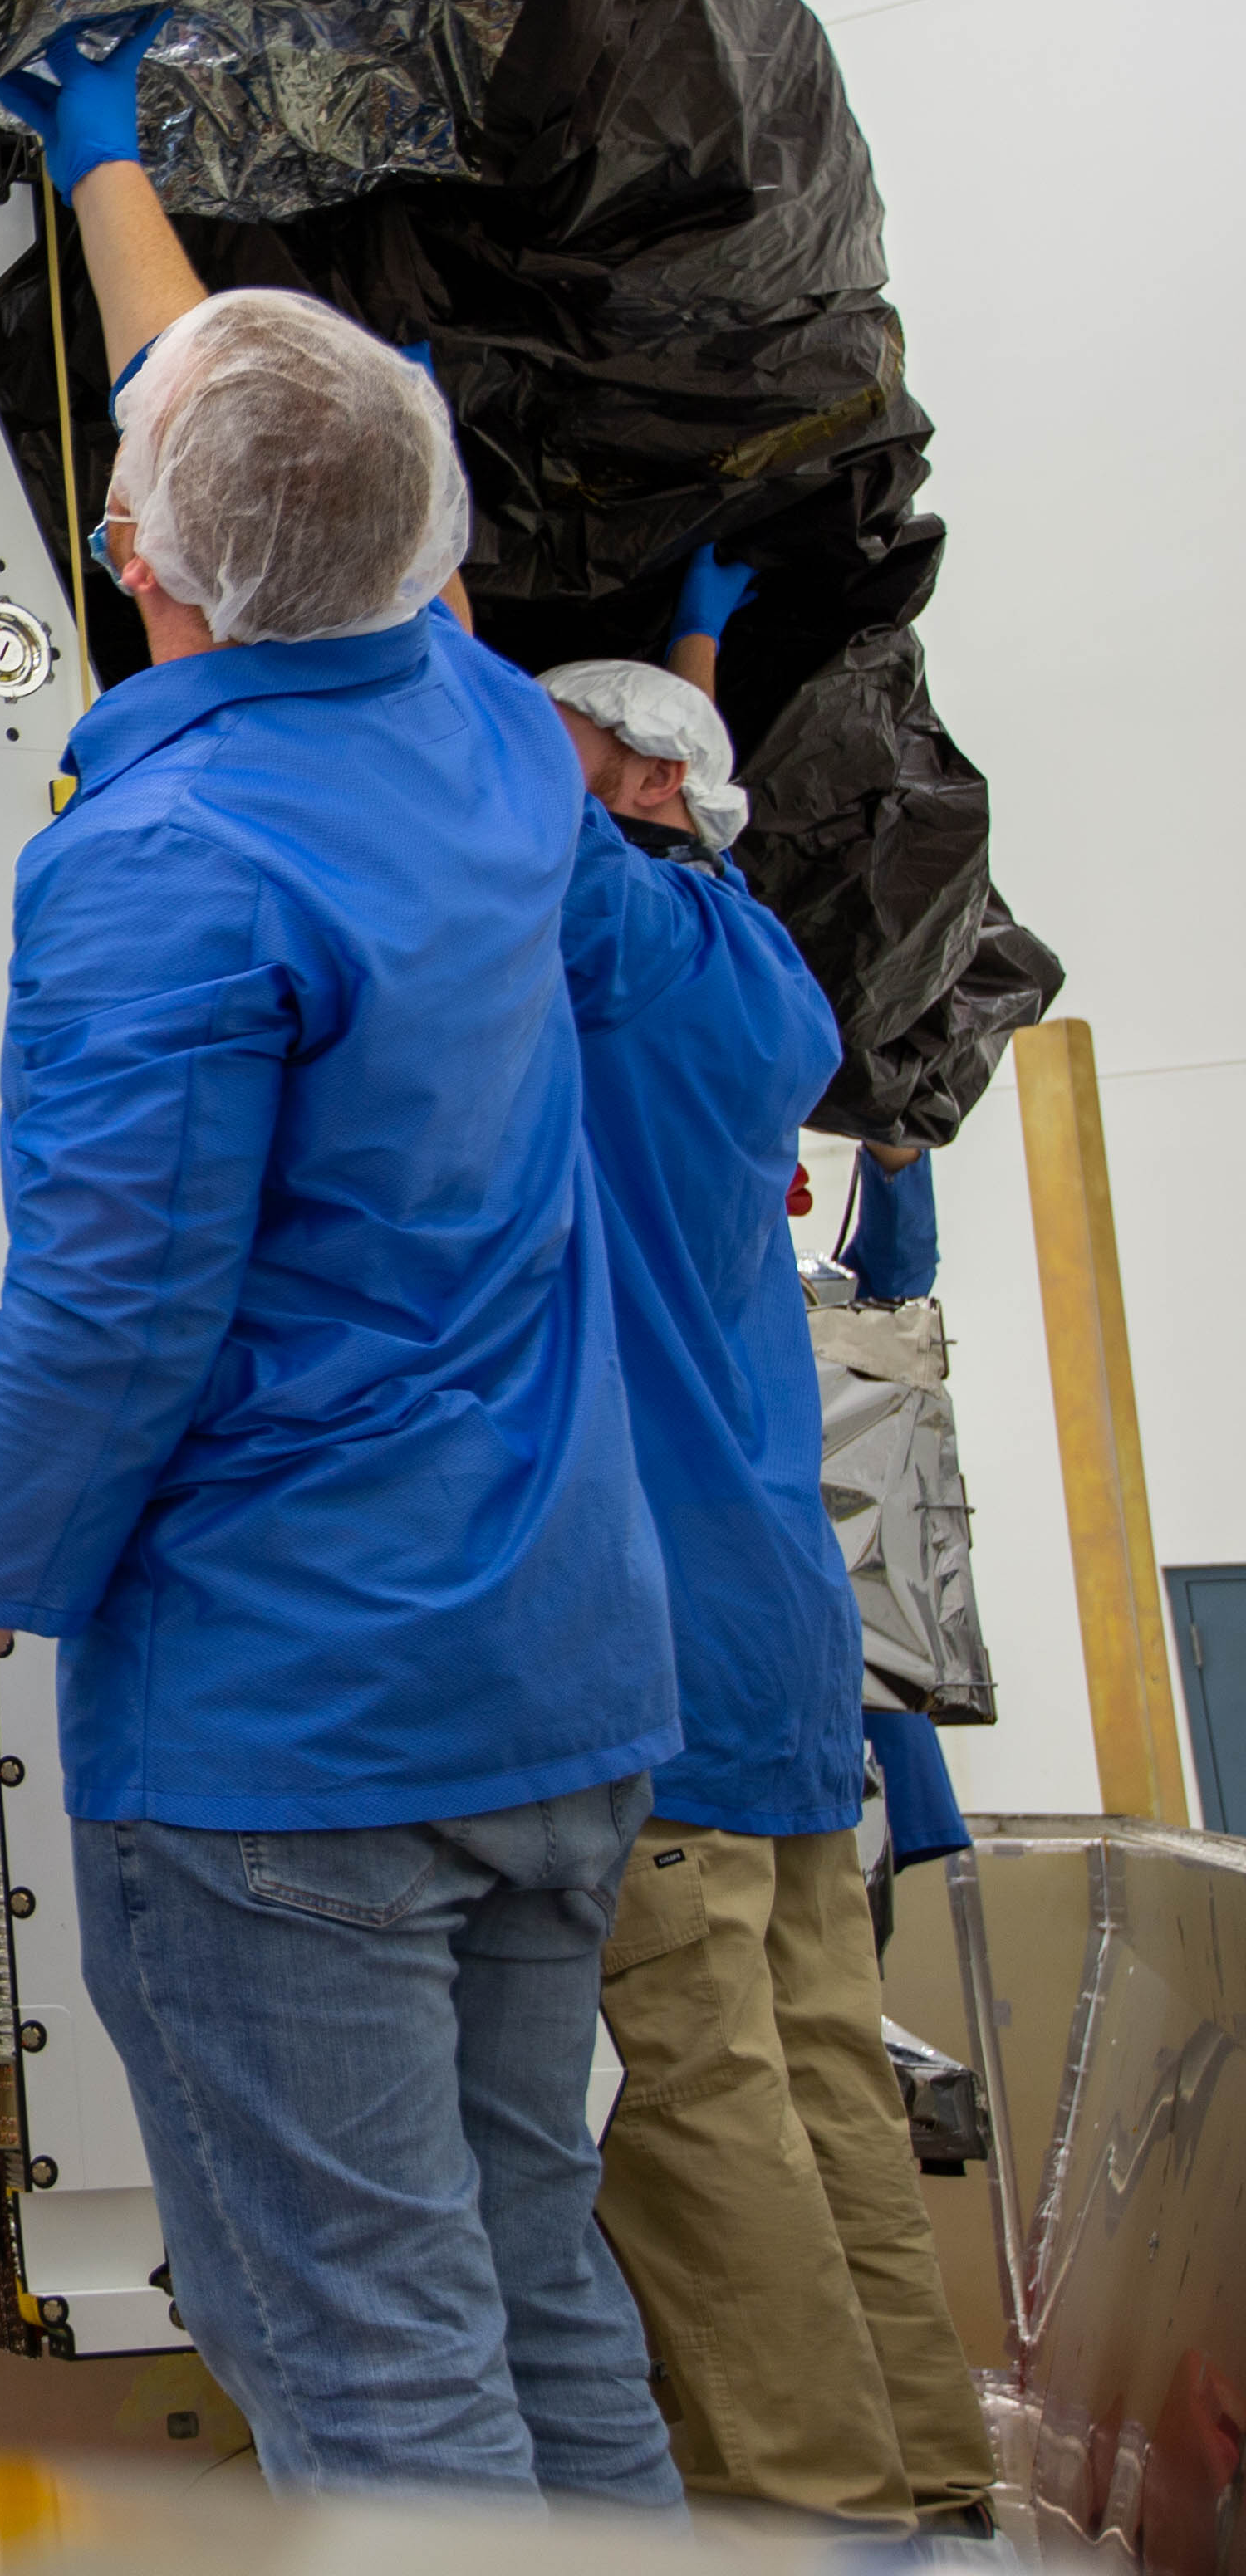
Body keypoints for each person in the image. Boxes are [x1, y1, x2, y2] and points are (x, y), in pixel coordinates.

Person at [0, 13, 682, 2512]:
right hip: (552, 1689)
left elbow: (104, 1339)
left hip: (299, 1743)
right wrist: (104, 166)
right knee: (540, 2293)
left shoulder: (161, 869)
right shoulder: (498, 740)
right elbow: (273, 455)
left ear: (131, 565)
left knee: (377, 2383)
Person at [541, 551, 998, 2533]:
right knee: (823, 2074)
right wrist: (692, 654)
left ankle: (811, 2513)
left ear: (631, 790)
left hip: (655, 1631)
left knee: (707, 2097)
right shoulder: (757, 965)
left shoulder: (607, 935)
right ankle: (934, 2479)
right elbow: (660, 780)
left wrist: (388, 546)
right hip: (786, 1633)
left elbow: (474, 781)